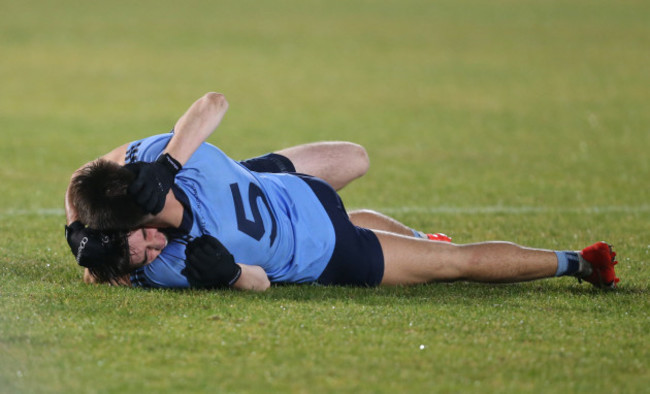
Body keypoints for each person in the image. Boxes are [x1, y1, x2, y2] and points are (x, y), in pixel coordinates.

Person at [65, 92, 619, 291]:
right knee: (361, 167)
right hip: (280, 193)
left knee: (456, 265)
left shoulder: (168, 265)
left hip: (313, 231)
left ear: (135, 217)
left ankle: (581, 264)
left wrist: (234, 276)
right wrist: (168, 162)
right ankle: (575, 260)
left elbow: (255, 281)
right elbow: (210, 104)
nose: (149, 256)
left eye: (144, 244)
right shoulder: (165, 164)